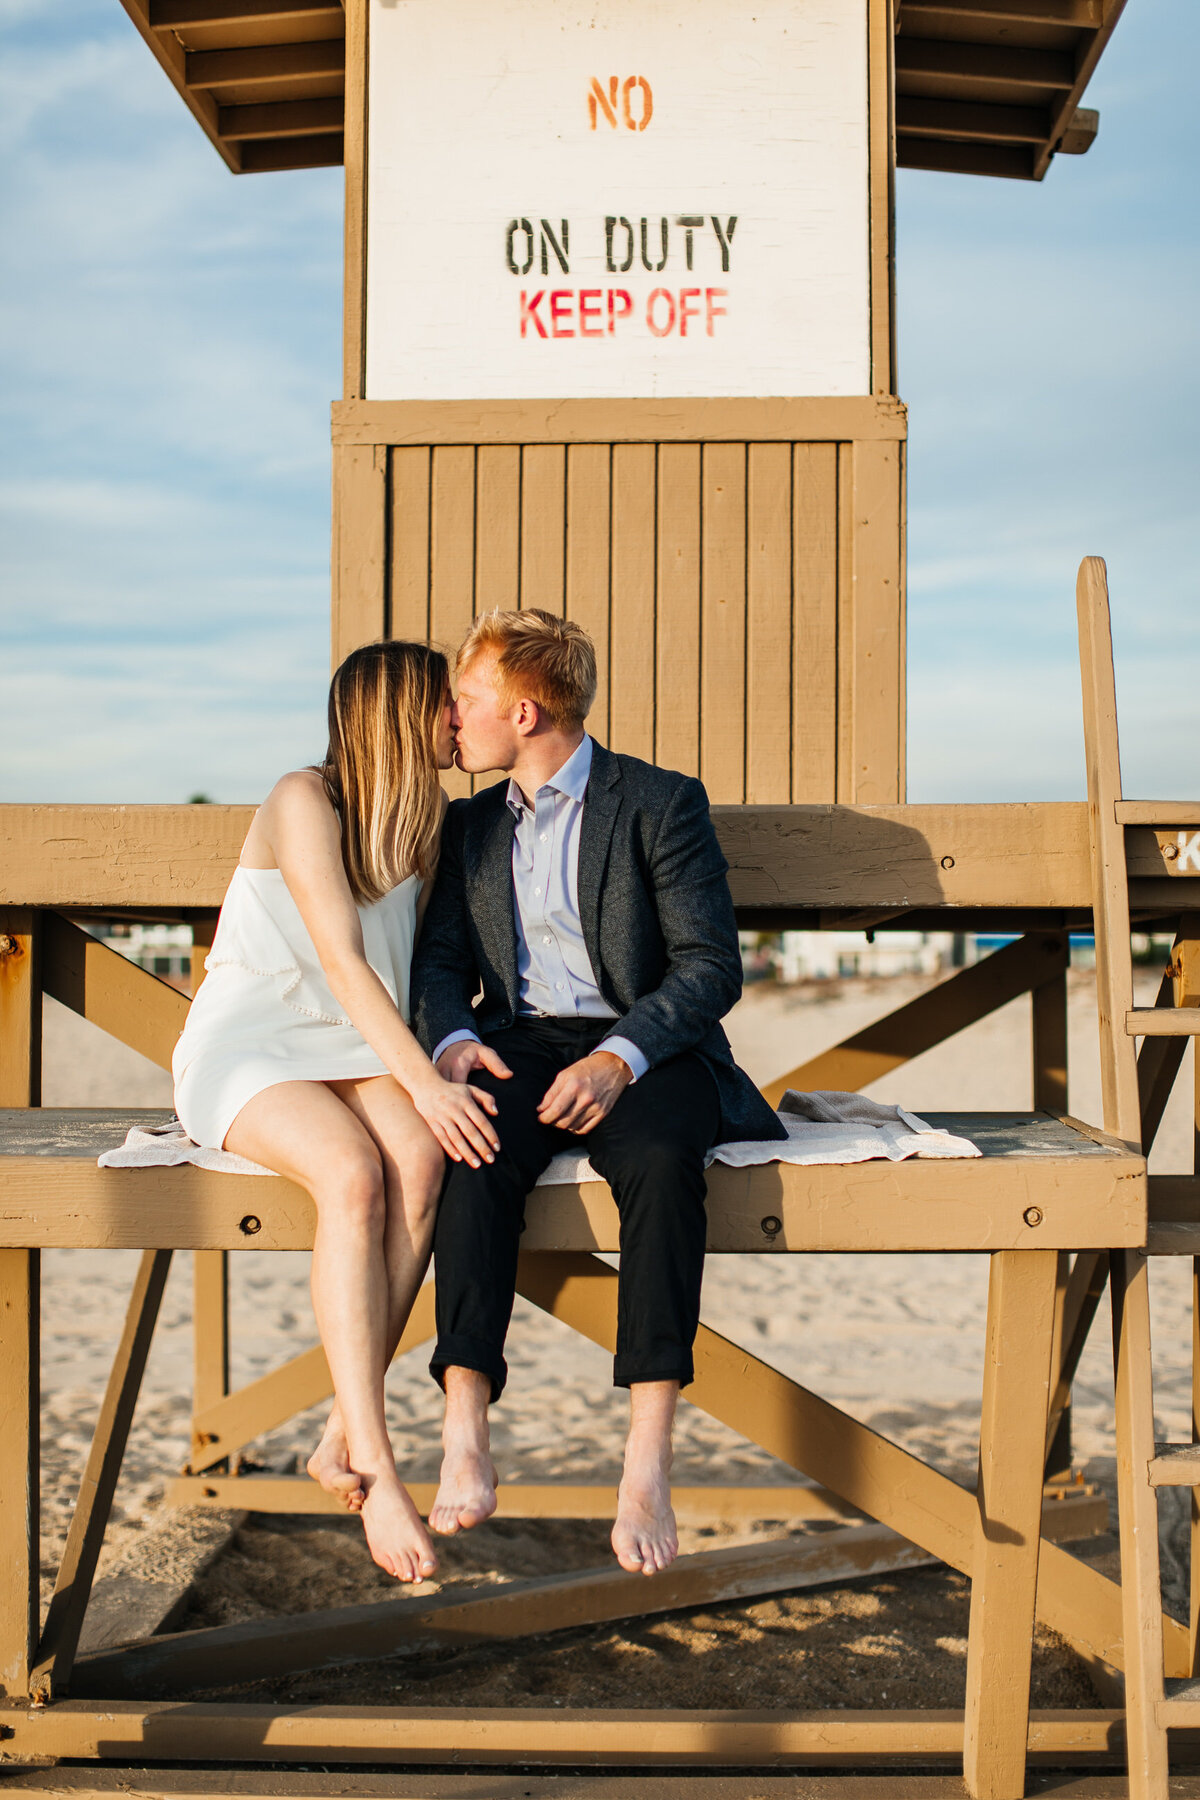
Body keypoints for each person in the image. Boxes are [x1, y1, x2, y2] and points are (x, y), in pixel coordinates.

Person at [411, 609, 786, 1576]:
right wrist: (452, 1042)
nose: (451, 720)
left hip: (651, 1045)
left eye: (466, 701)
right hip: (520, 1040)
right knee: (473, 1149)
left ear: (524, 711)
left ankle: (647, 1458)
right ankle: (464, 1428)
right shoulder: (465, 826)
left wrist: (619, 1058)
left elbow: (708, 968)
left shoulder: (660, 803)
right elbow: (442, 964)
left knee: (662, 1164)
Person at [172, 642, 501, 1584]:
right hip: (258, 1041)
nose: (457, 718)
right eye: (444, 704)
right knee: (353, 1177)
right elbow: (346, 964)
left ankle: (336, 1433)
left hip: (358, 1049)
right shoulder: (300, 799)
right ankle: (381, 1468)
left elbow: (423, 968)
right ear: (399, 713)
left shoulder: (428, 820)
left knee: (422, 1162)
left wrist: (441, 1064)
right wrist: (428, 1082)